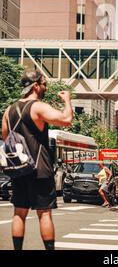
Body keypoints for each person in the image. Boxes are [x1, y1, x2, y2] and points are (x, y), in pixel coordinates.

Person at [1, 70, 73, 251]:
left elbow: (5, 137)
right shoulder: (38, 107)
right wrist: (67, 101)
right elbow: (66, 119)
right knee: (44, 214)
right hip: (39, 168)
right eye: (43, 84)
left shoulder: (8, 110)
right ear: (35, 86)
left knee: (19, 212)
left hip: (18, 169)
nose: (45, 87)